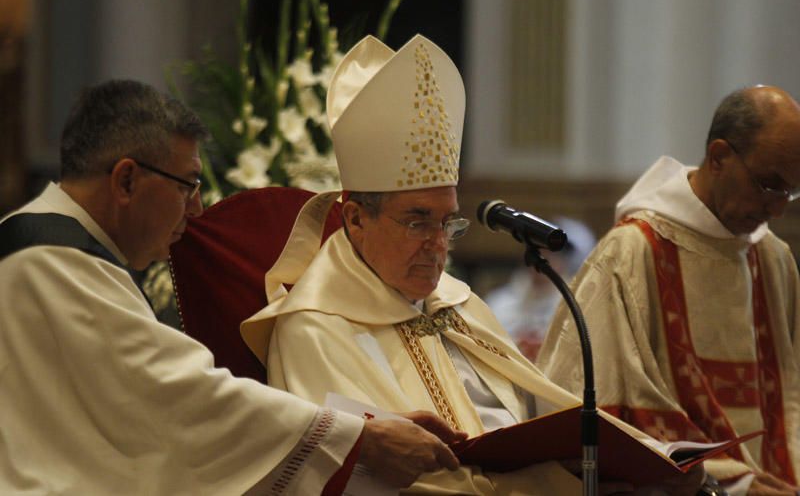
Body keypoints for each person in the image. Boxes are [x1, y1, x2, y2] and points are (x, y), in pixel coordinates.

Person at [241, 34, 702, 495]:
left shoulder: (460, 306)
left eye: (448, 224)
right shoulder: (313, 329)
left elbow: (541, 420)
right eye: (417, 222)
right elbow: (365, 479)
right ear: (356, 218)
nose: (438, 245)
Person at [0, 79, 465, 495]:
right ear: (126, 180)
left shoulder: (56, 251)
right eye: (188, 185)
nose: (197, 208)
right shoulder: (52, 261)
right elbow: (182, 399)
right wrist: (361, 440)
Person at [537, 85, 800, 495]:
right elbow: (580, 413)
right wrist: (733, 484)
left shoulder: (774, 261)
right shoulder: (632, 253)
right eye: (769, 185)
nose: (778, 208)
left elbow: (791, 404)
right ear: (718, 157)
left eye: (791, 191)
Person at [484, 217, 596, 361]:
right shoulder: (498, 304)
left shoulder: (577, 309)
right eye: (539, 250)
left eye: (553, 253)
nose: (545, 257)